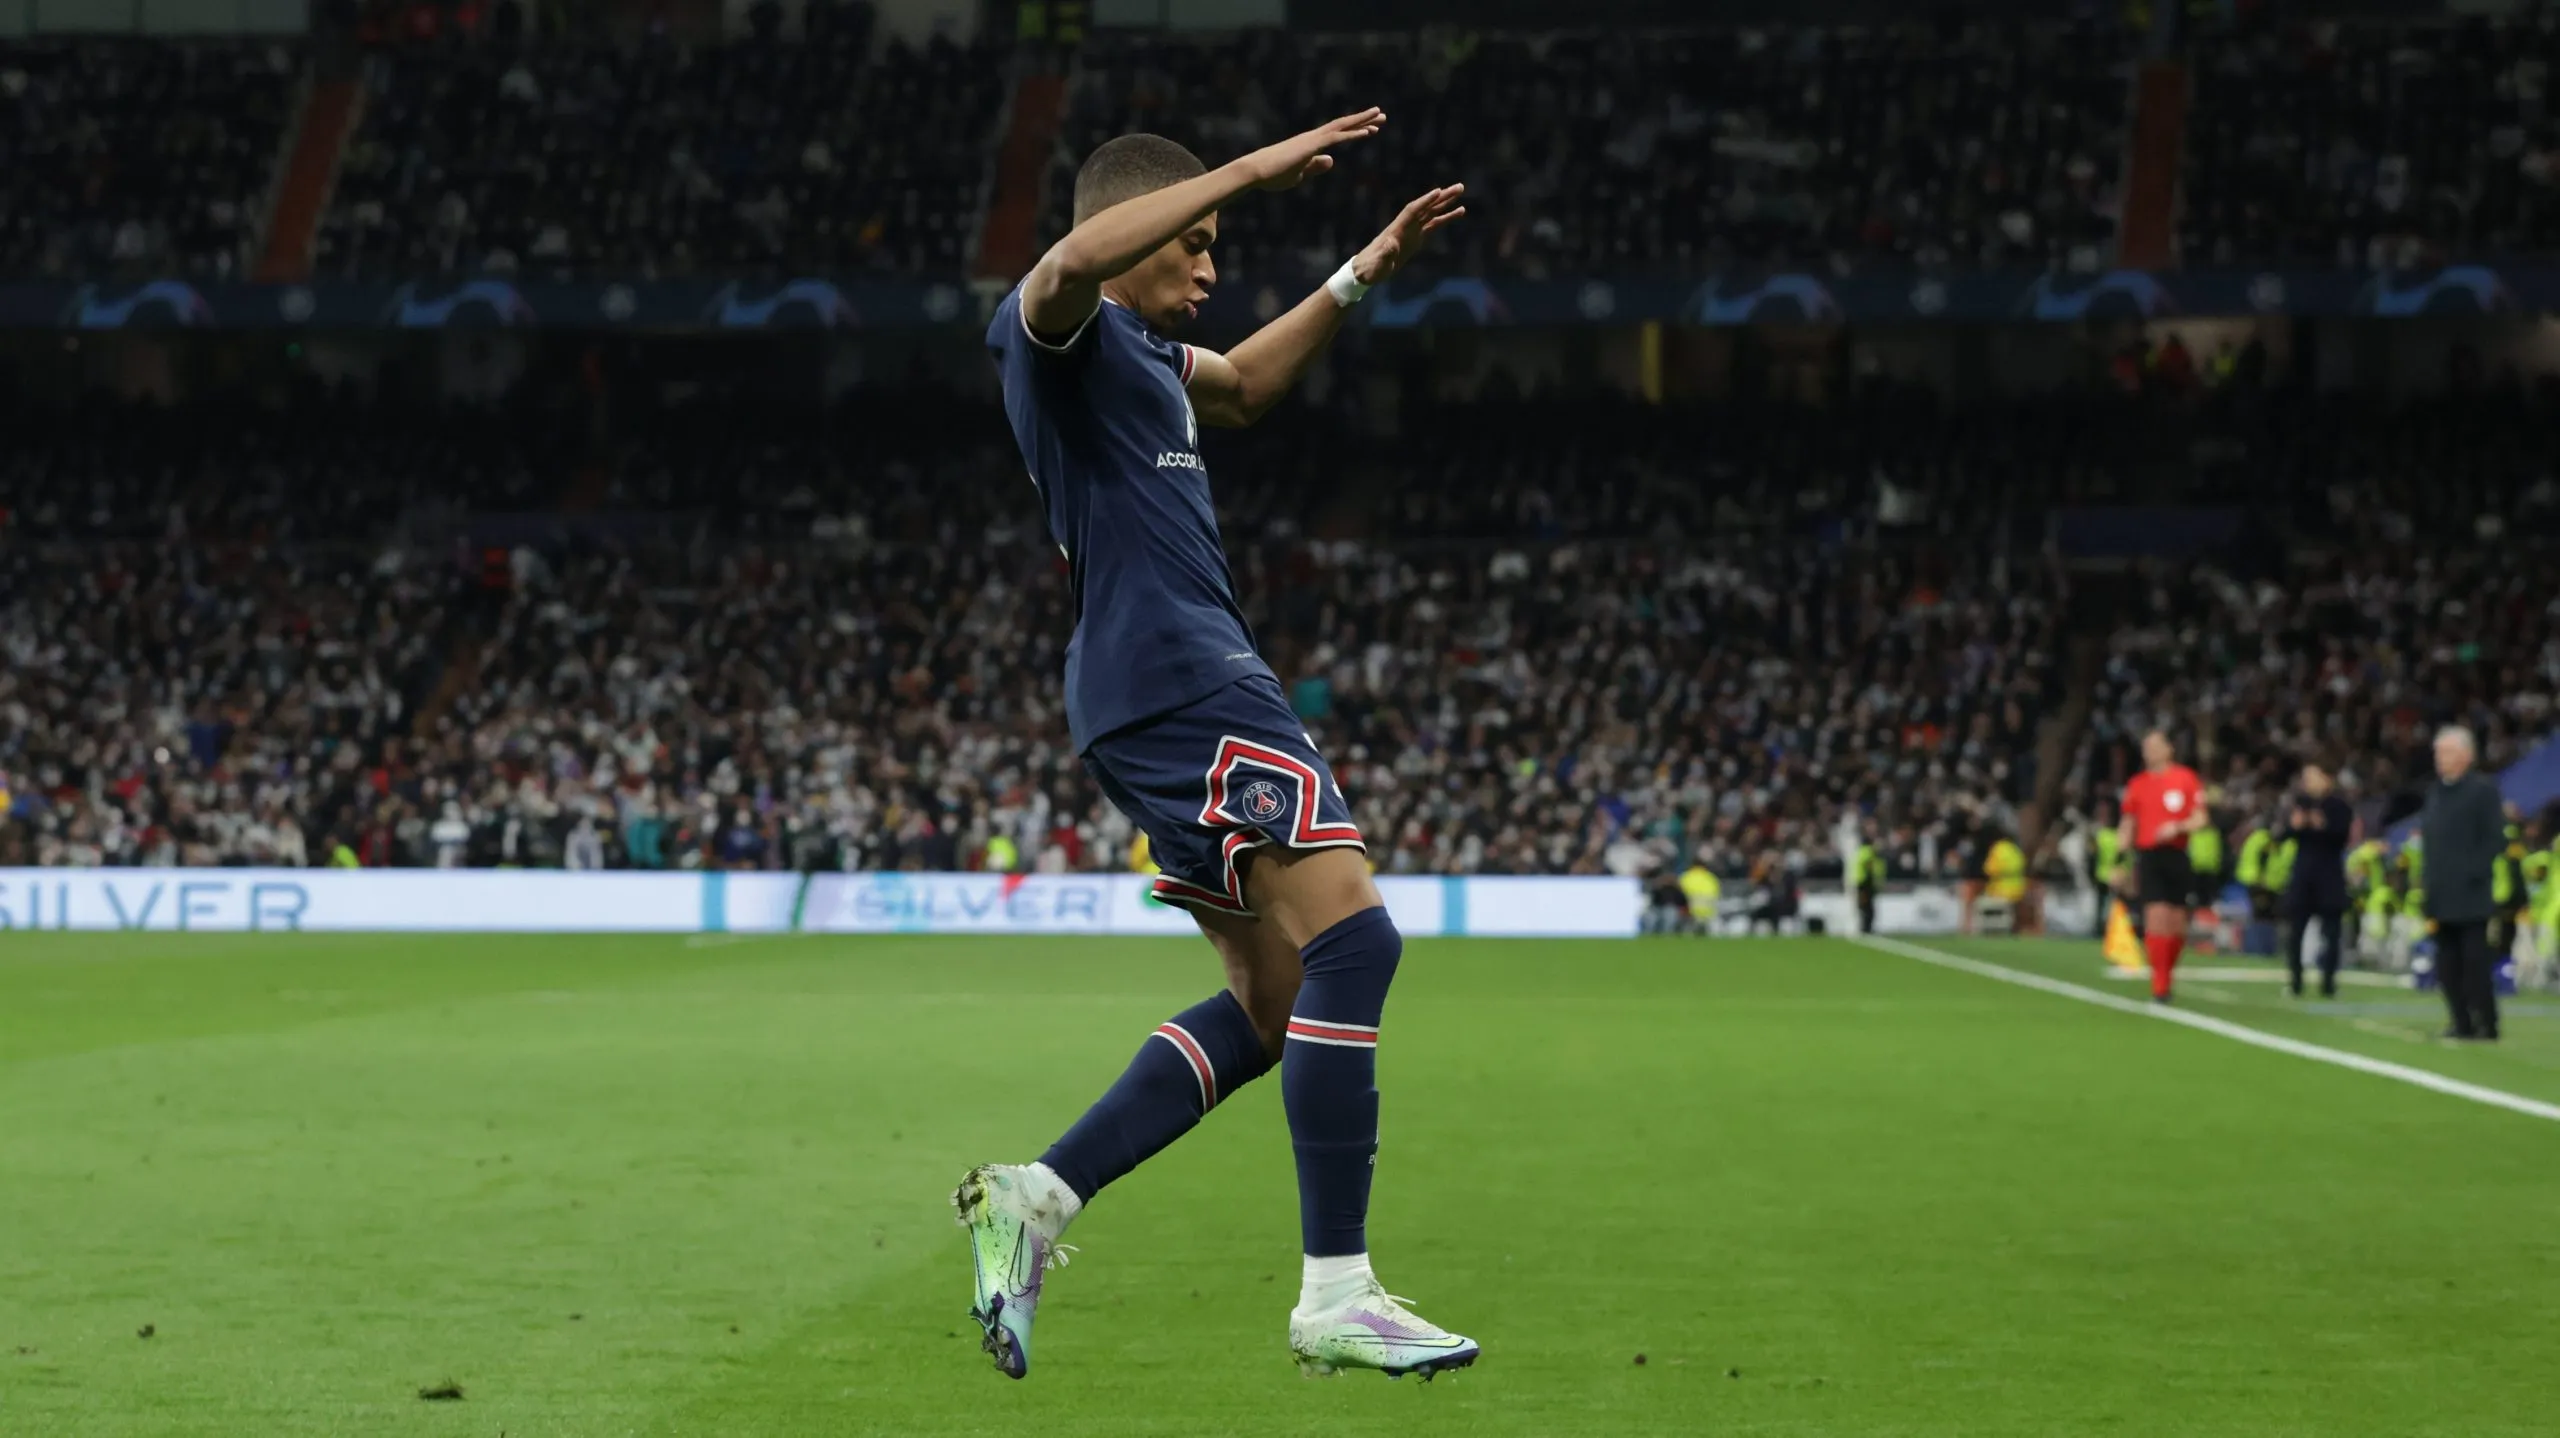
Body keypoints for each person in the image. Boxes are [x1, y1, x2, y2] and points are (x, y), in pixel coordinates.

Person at [956, 116, 1477, 1381]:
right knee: (1357, 938)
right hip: (1188, 681)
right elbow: (1067, 259)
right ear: (1135, 234)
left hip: (1153, 692)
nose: (1208, 265)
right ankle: (1336, 1292)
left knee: (1274, 1003)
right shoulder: (1060, 331)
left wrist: (1361, 271)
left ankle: (1040, 1194)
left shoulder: (1141, 348)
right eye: (1192, 242)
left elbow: (1244, 385)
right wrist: (1243, 169)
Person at [2419, 726, 2505, 1042]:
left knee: (2475, 964)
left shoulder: (2483, 790)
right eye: (2439, 753)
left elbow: (2494, 838)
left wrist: (2471, 872)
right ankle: (2460, 1021)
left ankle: (2487, 1023)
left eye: (2448, 752)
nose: (2441, 759)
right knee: (2446, 966)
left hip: (2470, 894)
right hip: (2440, 893)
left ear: (2467, 756)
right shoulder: (2435, 792)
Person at [2120, 730, 2205, 1004]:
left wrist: (2177, 827)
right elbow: (2129, 822)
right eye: (2146, 747)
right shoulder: (2138, 784)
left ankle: (2167, 973)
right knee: (2156, 917)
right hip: (2149, 856)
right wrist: (2121, 857)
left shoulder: (2185, 779)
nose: (2149, 752)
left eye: (2155, 746)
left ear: (2169, 749)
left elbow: (2200, 818)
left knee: (2177, 924)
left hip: (2178, 854)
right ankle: (2160, 985)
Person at [2278, 765, 2354, 998]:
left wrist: (2323, 826)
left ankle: (2329, 983)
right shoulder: (2299, 804)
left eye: (2314, 777)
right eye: (2306, 778)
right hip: (2303, 875)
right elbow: (2282, 836)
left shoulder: (2338, 806)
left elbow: (2341, 837)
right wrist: (2295, 826)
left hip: (2329, 876)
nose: (2309, 782)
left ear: (2327, 779)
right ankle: (2295, 981)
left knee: (2331, 933)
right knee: (2296, 932)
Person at [1851, 824, 1885, 935]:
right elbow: (1869, 865)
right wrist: (1875, 881)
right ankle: (1867, 928)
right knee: (1868, 907)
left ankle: (1864, 927)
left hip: (1860, 882)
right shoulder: (1868, 852)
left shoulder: (1860, 851)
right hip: (1866, 883)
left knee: (1863, 906)